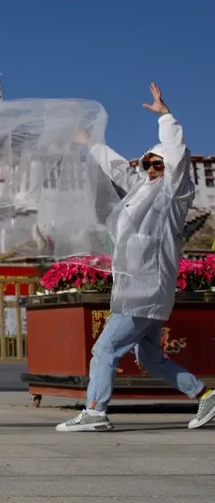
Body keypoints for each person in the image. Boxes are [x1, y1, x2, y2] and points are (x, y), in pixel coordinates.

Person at [57, 83, 215, 432]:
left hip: (145, 291)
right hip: (140, 290)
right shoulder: (142, 192)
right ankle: (205, 396)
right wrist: (91, 144)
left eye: (158, 164)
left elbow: (178, 155)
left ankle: (95, 411)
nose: (152, 169)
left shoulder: (174, 196)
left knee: (104, 349)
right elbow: (119, 170)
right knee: (149, 356)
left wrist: (166, 117)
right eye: (148, 163)